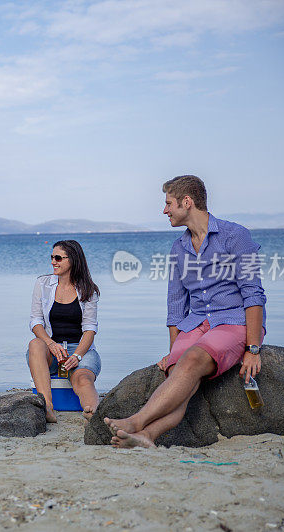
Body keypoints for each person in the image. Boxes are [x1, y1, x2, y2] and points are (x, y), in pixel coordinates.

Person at [105, 175, 266, 448]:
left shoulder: (235, 236)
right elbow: (176, 305)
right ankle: (147, 436)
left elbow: (253, 293)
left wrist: (252, 348)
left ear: (187, 202)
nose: (164, 210)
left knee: (190, 361)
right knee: (178, 371)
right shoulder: (178, 248)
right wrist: (173, 350)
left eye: (168, 203)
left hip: (233, 321)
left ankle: (136, 422)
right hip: (196, 325)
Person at [27, 240, 102, 423]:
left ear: (73, 260)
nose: (53, 261)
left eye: (58, 258)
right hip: (51, 351)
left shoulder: (88, 290)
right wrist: (51, 344)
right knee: (35, 344)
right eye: (52, 257)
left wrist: (76, 356)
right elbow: (36, 321)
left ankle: (93, 412)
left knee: (82, 379)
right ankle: (47, 407)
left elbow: (90, 329)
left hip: (81, 350)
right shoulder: (43, 284)